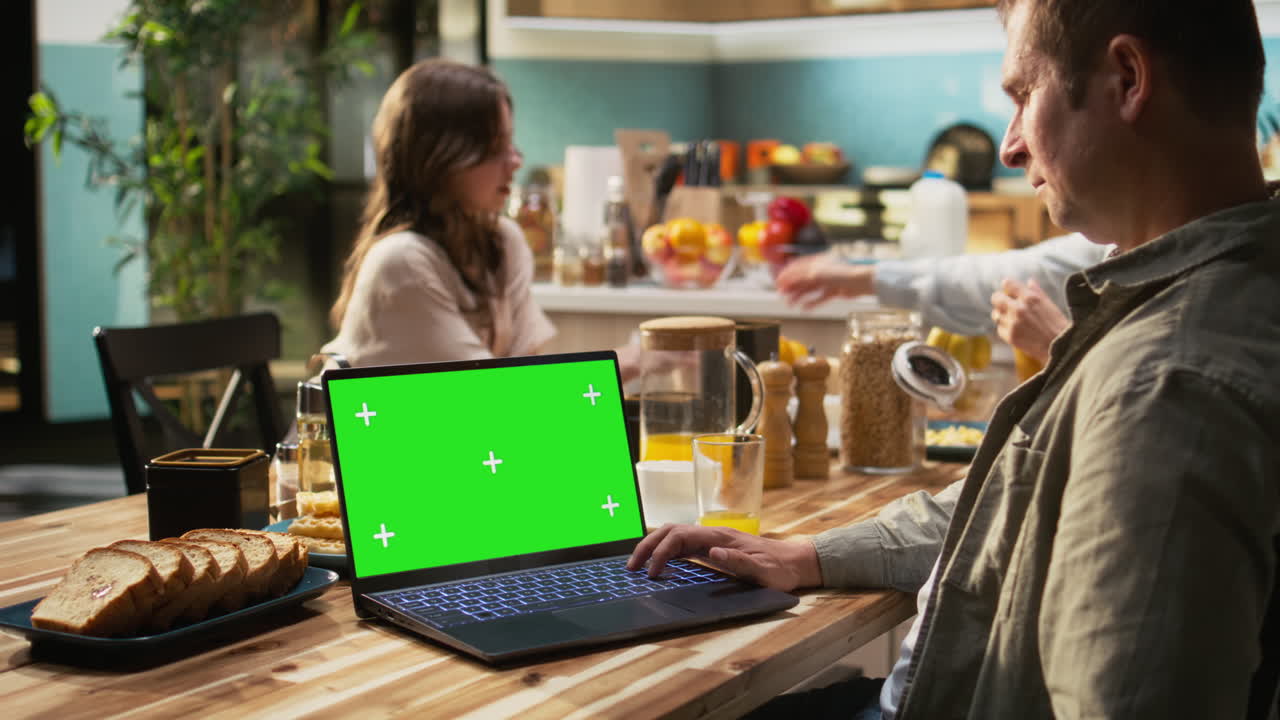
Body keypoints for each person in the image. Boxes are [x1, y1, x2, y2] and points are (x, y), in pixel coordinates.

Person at [630, 1, 1280, 718]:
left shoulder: (1164, 388)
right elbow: (1018, 504)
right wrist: (813, 554)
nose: (1009, 146)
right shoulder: (1209, 295)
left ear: (1128, 80)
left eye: (1023, 95)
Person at [320, 59, 639, 377]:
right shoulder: (402, 260)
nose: (516, 160)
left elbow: (525, 378)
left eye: (510, 142)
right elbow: (491, 390)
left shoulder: (503, 240)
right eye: (494, 146)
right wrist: (631, 360)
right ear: (440, 157)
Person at [775, 232, 1109, 364]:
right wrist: (867, 278)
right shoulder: (1108, 245)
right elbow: (1009, 274)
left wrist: (1061, 347)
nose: (1010, 150)